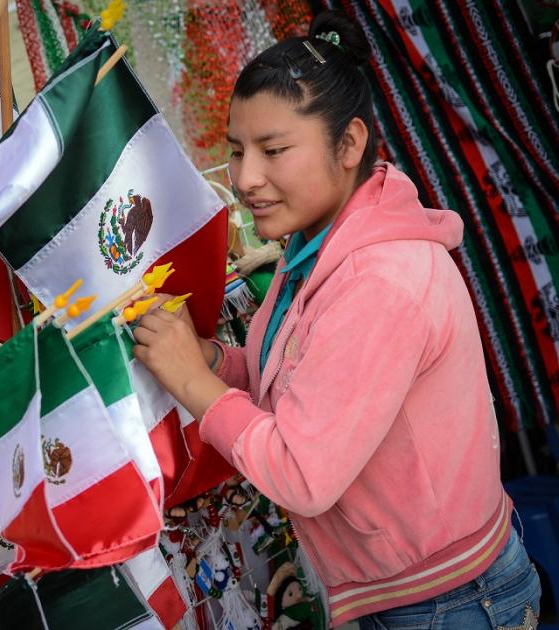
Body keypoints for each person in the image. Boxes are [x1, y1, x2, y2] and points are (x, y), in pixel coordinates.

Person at [132, 9, 542, 630]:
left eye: (273, 151)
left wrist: (196, 382)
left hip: (446, 605)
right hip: (404, 593)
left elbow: (301, 474)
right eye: (237, 151)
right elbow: (289, 375)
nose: (245, 178)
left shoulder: (378, 282)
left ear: (348, 145)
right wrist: (215, 361)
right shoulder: (320, 248)